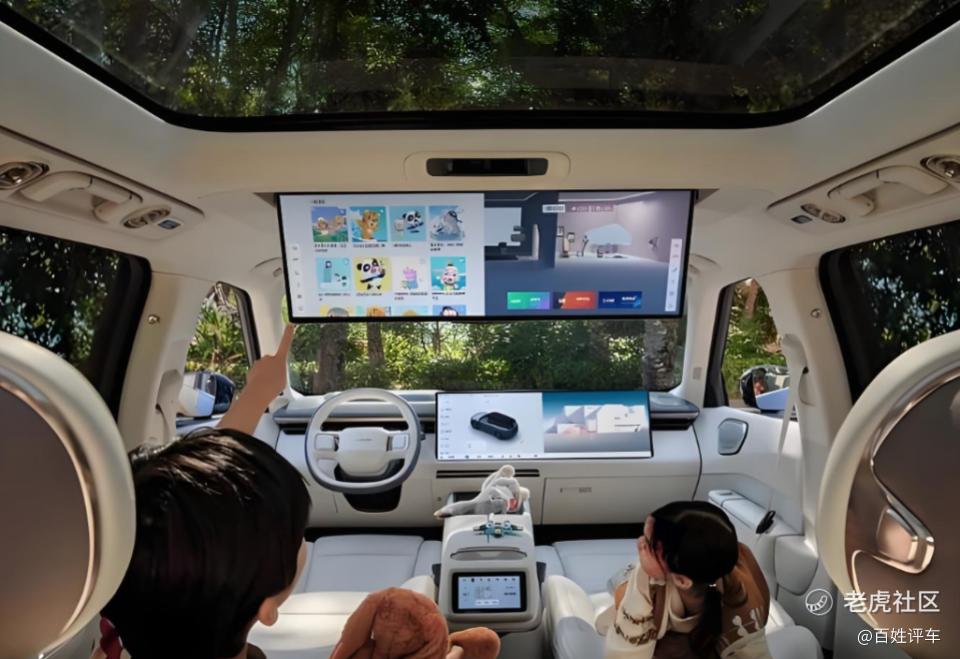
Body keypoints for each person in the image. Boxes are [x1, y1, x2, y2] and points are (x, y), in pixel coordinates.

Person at [95, 326, 311, 659]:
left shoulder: (113, 638)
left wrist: (257, 393)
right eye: (295, 535)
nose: (301, 540)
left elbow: (195, 492)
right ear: (267, 609)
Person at [601, 501, 772, 659]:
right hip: (631, 578)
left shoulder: (743, 604)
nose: (639, 543)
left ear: (682, 581)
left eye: (648, 544)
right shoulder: (646, 578)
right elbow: (625, 652)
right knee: (622, 592)